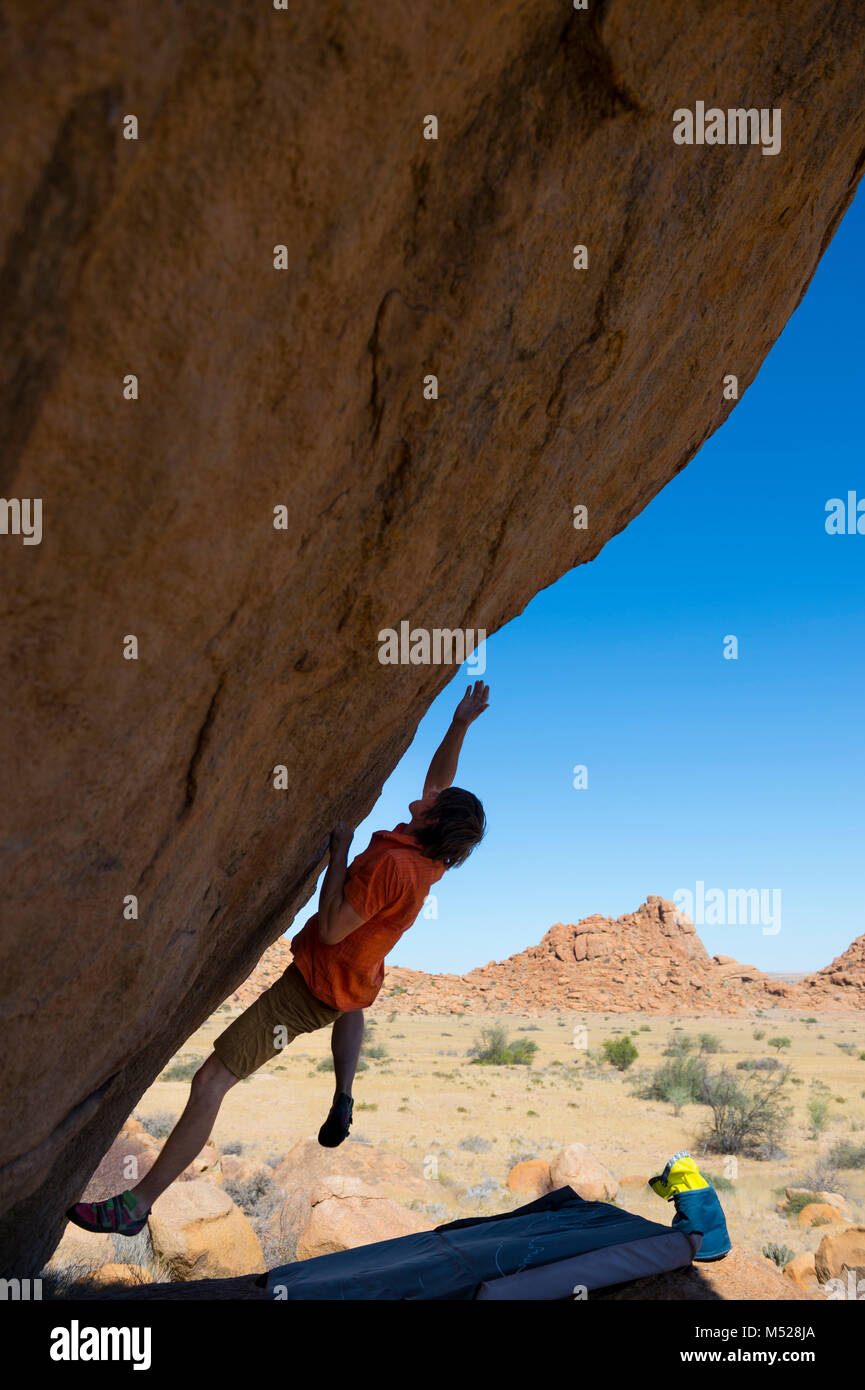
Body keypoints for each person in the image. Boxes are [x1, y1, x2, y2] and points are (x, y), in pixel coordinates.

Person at [67, 681, 489, 1237]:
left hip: (311, 989)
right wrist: (460, 724)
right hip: (353, 983)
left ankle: (138, 1205)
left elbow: (336, 926)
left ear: (435, 820)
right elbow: (440, 780)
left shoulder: (395, 868)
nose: (430, 793)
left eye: (436, 802)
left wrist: (339, 853)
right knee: (354, 1005)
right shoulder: (427, 855)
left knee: (211, 1080)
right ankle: (343, 1094)